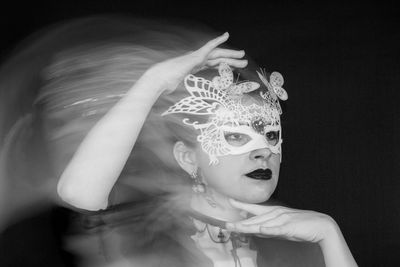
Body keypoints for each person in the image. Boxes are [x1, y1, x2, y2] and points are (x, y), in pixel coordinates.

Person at [1, 16, 357, 267]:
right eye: (235, 136)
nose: (263, 149)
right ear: (188, 158)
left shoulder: (299, 238)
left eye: (272, 135)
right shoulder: (149, 229)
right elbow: (79, 193)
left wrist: (329, 235)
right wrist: (154, 82)